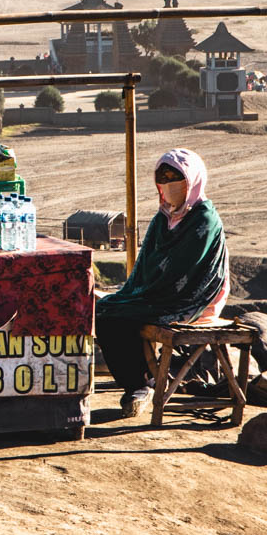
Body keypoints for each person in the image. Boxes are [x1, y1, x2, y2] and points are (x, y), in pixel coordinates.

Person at [95, 149, 230, 417]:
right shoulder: (163, 218)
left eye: (175, 178)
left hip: (193, 298)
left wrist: (146, 296)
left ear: (191, 180)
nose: (168, 185)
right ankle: (141, 381)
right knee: (103, 311)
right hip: (157, 294)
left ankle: (141, 382)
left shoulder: (203, 218)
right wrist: (138, 293)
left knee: (119, 316)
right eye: (163, 178)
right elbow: (147, 264)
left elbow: (185, 272)